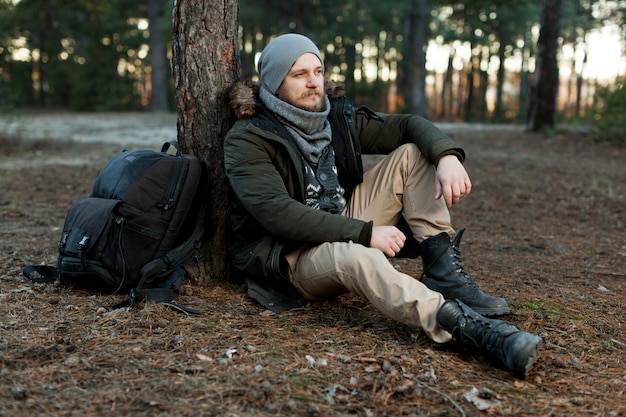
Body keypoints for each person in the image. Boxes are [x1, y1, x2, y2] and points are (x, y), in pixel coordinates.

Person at [223, 33, 541, 379]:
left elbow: (407, 125)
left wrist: (447, 156)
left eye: (317, 70)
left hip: (342, 220)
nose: (314, 82)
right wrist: (364, 233)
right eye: (299, 74)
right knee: (360, 256)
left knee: (413, 153)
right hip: (293, 254)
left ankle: (443, 273)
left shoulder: (332, 118)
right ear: (273, 81)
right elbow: (278, 214)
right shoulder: (248, 138)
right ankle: (467, 328)